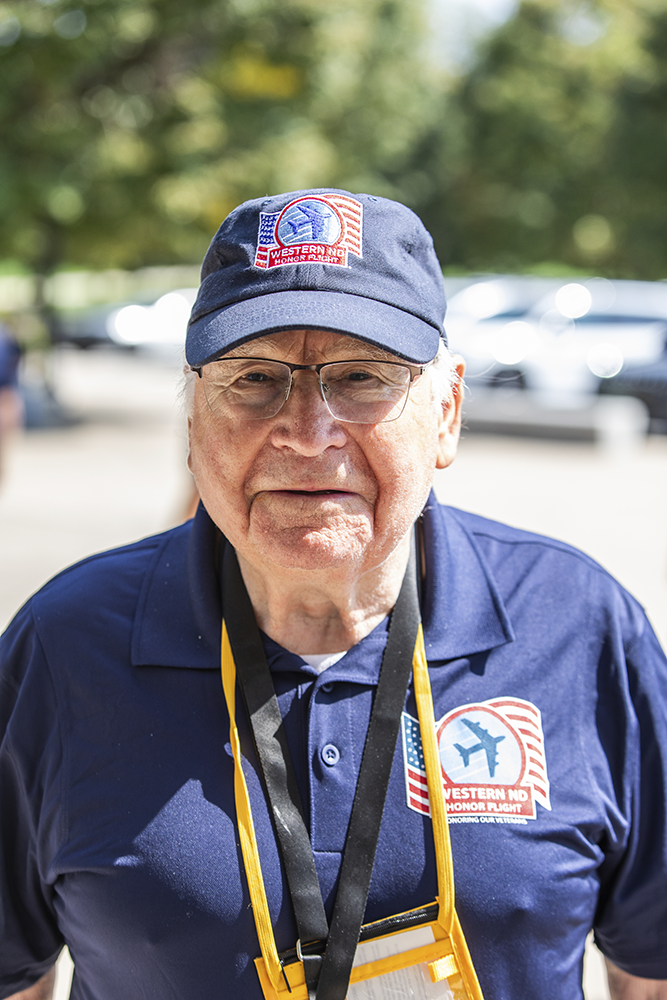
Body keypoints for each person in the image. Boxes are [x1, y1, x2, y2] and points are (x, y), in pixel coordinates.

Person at [1, 189, 666, 1000]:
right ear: (192, 419)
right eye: (254, 378)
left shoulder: (578, 623)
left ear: (446, 413)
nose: (307, 432)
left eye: (360, 378)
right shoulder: (65, 644)